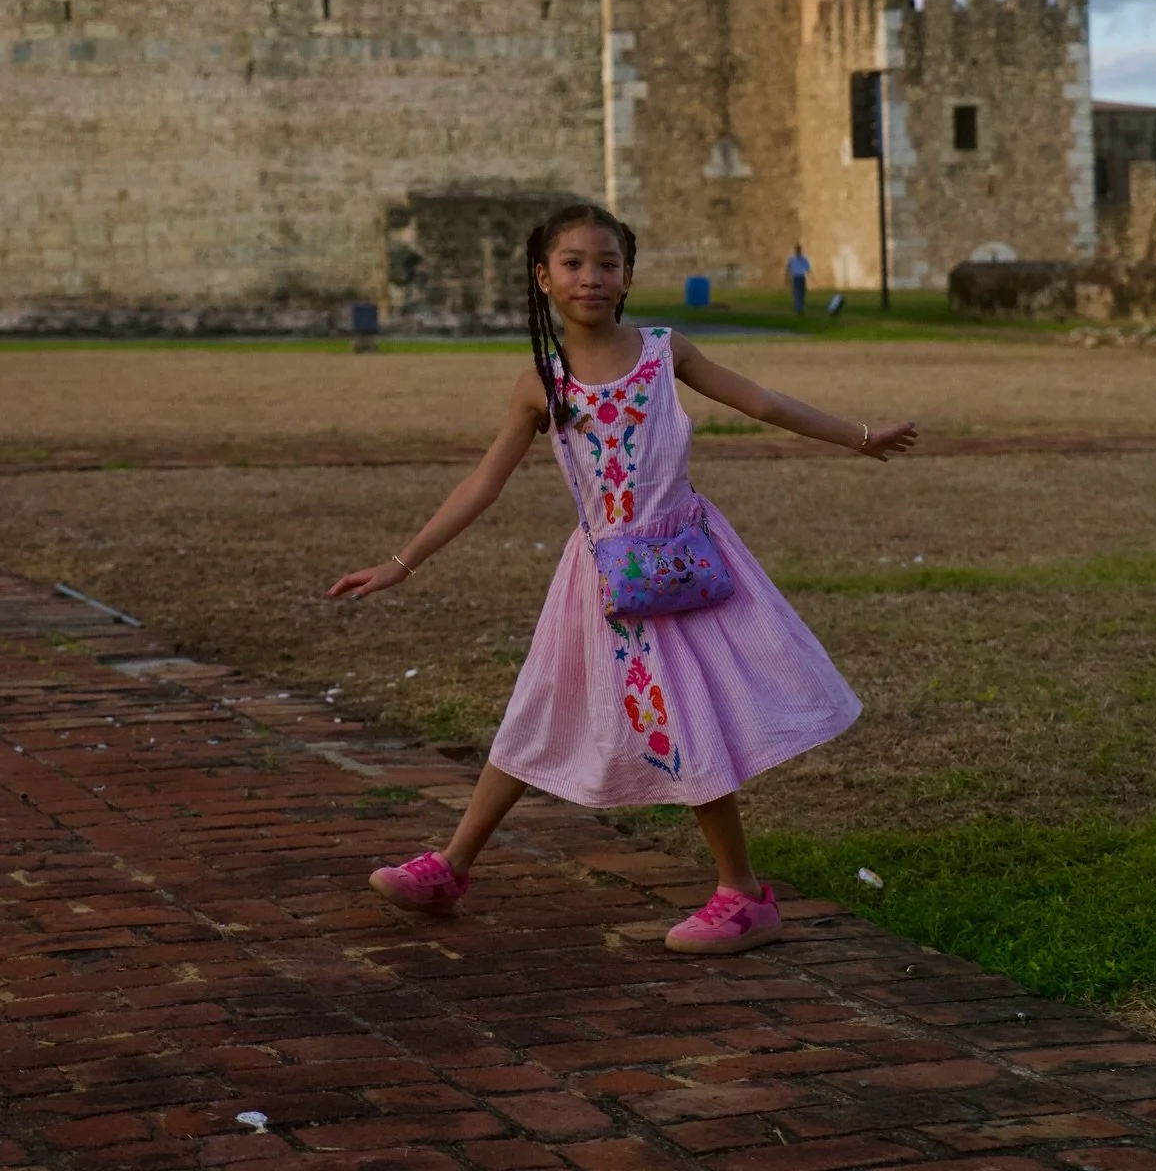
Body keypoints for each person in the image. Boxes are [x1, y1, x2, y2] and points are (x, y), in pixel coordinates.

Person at [326, 203, 916, 954]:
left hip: (678, 570)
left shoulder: (664, 352)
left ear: (628, 275)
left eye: (607, 263)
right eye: (572, 263)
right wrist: (401, 563)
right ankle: (450, 867)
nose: (591, 277)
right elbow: (484, 482)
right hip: (599, 582)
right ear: (543, 278)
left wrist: (860, 438)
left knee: (686, 720)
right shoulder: (542, 383)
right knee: (538, 709)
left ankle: (743, 894)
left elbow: (761, 402)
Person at [784, 242, 812, 317]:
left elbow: (808, 268)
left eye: (799, 249)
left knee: (802, 293)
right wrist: (787, 278)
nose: (798, 251)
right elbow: (788, 268)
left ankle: (801, 307)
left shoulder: (804, 259)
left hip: (802, 277)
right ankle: (798, 308)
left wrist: (810, 276)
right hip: (795, 277)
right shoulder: (792, 259)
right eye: (797, 249)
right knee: (797, 293)